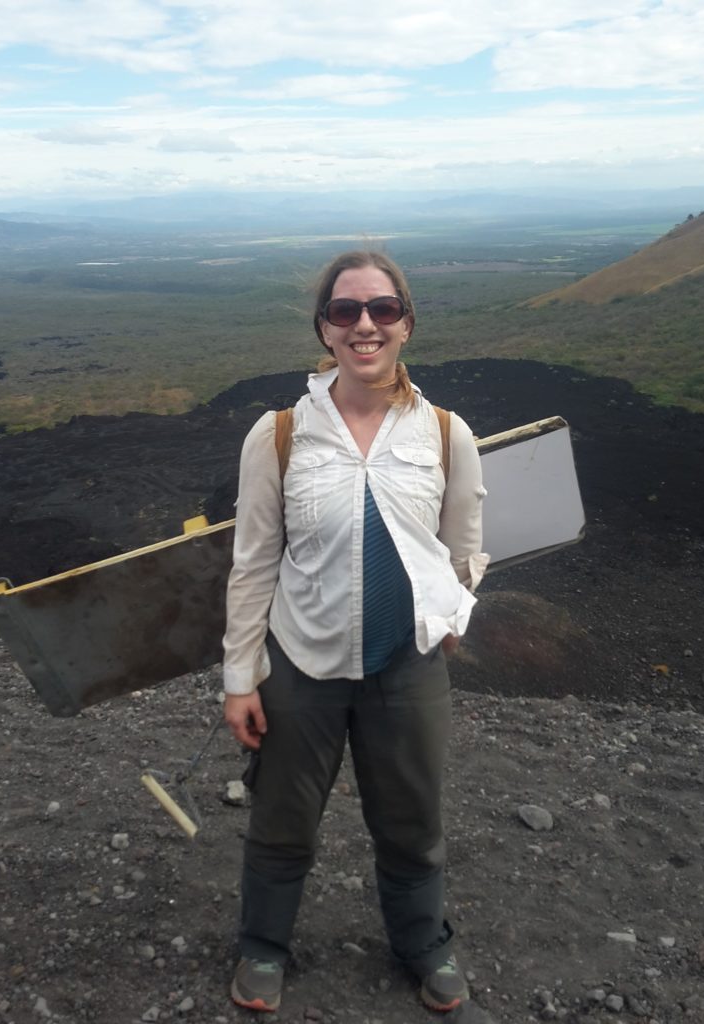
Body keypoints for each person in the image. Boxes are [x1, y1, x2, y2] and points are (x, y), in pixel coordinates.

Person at [223, 249, 488, 1013]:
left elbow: (466, 547)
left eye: (381, 309)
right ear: (325, 329)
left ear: (406, 323)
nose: (364, 324)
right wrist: (240, 679)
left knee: (412, 822)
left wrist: (448, 613)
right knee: (281, 819)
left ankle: (425, 945)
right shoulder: (277, 436)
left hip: (406, 667)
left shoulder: (444, 433)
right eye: (346, 311)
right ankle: (264, 947)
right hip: (300, 664)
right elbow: (252, 565)